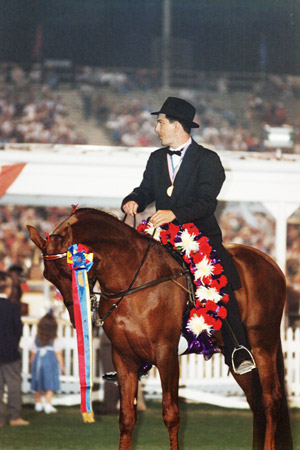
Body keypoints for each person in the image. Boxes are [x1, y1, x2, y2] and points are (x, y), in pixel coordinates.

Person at [104, 97, 255, 382]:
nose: (156, 127)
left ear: (176, 125)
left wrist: (174, 213)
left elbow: (206, 203)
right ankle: (140, 356)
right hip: (165, 235)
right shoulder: (155, 158)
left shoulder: (208, 160)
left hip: (201, 235)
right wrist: (133, 200)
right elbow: (146, 189)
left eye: (160, 122)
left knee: (222, 278)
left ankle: (239, 347)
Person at [0, 271, 29, 426]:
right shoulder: (12, 307)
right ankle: (15, 417)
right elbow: (18, 329)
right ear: (8, 289)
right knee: (13, 385)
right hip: (10, 352)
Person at [30, 312, 65, 414]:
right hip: (50, 362)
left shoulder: (37, 338)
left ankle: (38, 403)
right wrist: (62, 366)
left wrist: (32, 364)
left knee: (38, 381)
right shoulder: (55, 339)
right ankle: (48, 404)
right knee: (50, 382)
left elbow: (33, 353)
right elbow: (58, 353)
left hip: (38, 361)